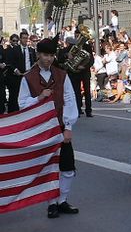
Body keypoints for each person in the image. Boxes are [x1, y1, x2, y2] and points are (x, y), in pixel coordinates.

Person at [18, 36, 79, 218]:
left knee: (67, 166)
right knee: (47, 167)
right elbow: (21, 104)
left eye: (51, 55)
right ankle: (51, 203)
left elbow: (69, 100)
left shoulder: (62, 75)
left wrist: (68, 126)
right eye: (45, 55)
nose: (49, 59)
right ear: (38, 55)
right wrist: (39, 98)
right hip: (41, 130)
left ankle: (62, 200)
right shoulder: (28, 78)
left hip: (60, 126)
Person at [6, 32, 36, 112]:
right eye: (23, 38)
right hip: (17, 76)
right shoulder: (15, 49)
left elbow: (33, 62)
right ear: (20, 39)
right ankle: (13, 112)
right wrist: (15, 70)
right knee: (15, 95)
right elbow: (10, 62)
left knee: (27, 94)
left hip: (28, 75)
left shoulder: (31, 50)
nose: (25, 40)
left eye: (26, 38)